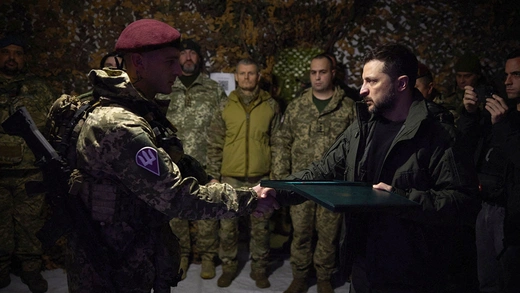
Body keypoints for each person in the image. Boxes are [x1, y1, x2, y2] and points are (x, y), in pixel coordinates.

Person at [63, 19, 270, 293]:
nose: (178, 68)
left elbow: (173, 156)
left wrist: (207, 179)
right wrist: (250, 199)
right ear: (139, 62)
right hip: (112, 268)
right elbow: (175, 197)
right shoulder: (120, 124)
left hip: (131, 256)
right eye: (170, 61)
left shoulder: (138, 108)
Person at [254, 43, 478, 293]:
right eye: (363, 81)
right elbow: (321, 171)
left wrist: (400, 200)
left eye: (372, 81)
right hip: (363, 263)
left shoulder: (438, 134)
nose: (362, 90)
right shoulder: (362, 128)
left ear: (402, 84)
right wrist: (276, 190)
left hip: (412, 272)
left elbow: (463, 202)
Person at [270, 53, 356, 293]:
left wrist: (350, 184)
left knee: (329, 236)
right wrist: (281, 179)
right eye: (313, 72)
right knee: (301, 233)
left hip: (333, 186)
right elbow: (282, 142)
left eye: (323, 72)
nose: (317, 77)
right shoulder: (297, 106)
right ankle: (299, 277)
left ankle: (325, 278)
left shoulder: (347, 108)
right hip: (302, 184)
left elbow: (355, 149)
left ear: (333, 73)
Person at [155, 39, 227, 281]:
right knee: (175, 217)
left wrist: (216, 168)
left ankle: (208, 257)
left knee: (207, 214)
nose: (187, 57)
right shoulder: (165, 88)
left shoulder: (213, 89)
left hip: (204, 164)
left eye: (192, 53)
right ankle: (182, 256)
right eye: (183, 53)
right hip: (171, 164)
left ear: (198, 58)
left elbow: (223, 128)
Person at [206, 58, 281, 288]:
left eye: (251, 73)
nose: (247, 77)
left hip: (260, 178)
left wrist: (275, 177)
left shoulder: (271, 106)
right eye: (242, 73)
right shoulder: (224, 106)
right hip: (231, 177)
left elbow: (278, 142)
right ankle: (228, 267)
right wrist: (213, 175)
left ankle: (259, 269)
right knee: (228, 227)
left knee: (261, 228)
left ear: (258, 76)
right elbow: (215, 142)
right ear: (236, 77)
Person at [458, 49, 520, 293]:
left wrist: (502, 126)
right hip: (486, 207)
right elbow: (464, 148)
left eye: (516, 74)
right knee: (487, 282)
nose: (507, 81)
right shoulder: (503, 114)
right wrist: (470, 115)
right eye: (506, 75)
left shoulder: (505, 120)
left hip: (512, 217)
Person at [0, 33, 55, 293]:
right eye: (6, 52)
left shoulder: (38, 89)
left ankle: (31, 271)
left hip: (31, 172)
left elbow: (52, 123)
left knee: (30, 226)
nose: (12, 58)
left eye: (18, 53)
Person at [436, 53, 485, 122]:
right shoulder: (448, 94)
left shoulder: (485, 97)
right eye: (459, 76)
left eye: (467, 76)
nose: (461, 81)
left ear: (477, 76)